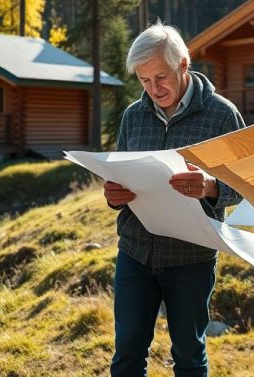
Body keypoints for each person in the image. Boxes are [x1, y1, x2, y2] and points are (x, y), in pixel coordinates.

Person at [104, 21, 245, 377]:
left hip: (191, 258)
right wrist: (114, 195)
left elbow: (244, 185)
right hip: (135, 253)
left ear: (183, 63)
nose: (154, 89)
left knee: (188, 357)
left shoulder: (221, 115)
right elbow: (121, 173)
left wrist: (211, 187)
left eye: (161, 77)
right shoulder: (133, 116)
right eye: (144, 80)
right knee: (126, 356)